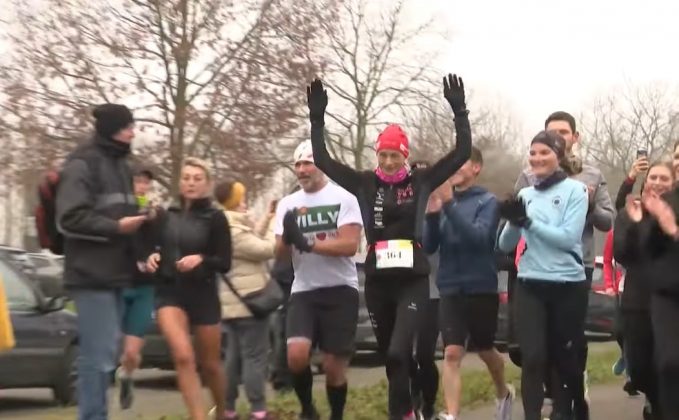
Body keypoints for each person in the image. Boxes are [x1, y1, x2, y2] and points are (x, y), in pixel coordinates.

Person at [306, 74, 472, 419]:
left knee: (399, 352)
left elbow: (461, 154)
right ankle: (409, 409)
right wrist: (317, 119)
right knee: (392, 359)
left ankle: (402, 413)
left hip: (411, 278)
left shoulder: (420, 180)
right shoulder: (365, 183)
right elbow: (323, 160)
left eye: (395, 155)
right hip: (379, 281)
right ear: (376, 155)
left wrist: (459, 112)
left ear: (405, 155)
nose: (389, 162)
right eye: (384, 155)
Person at [514, 111, 614, 415]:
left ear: (574, 137)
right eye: (551, 132)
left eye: (563, 132)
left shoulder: (591, 175)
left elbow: (608, 221)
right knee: (533, 349)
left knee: (568, 345)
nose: (558, 137)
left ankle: (570, 395)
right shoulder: (528, 177)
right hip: (533, 268)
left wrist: (590, 203)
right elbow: (515, 221)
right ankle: (549, 401)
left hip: (575, 265)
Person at [56, 103, 147, 420]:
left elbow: (122, 213)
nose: (133, 132)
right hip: (90, 274)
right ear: (111, 128)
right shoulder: (82, 163)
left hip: (117, 274)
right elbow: (69, 217)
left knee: (106, 353)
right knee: (97, 354)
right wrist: (117, 227)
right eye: (127, 126)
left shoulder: (122, 165)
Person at [498, 130, 590, 420]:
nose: (537, 158)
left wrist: (528, 222)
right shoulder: (526, 194)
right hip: (530, 284)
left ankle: (570, 407)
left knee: (563, 358)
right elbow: (504, 244)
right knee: (533, 357)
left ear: (559, 156)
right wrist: (514, 221)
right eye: (533, 152)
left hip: (567, 285)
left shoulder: (576, 192)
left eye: (544, 153)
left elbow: (566, 238)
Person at [275, 140, 364, 420]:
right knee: (296, 355)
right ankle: (307, 410)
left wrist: (308, 244)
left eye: (307, 163)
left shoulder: (344, 198)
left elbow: (349, 245)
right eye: (297, 164)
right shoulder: (287, 204)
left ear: (321, 166)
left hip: (340, 290)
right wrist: (288, 239)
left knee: (333, 367)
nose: (302, 170)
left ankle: (336, 414)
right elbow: (279, 255)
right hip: (304, 290)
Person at [424, 146, 513, 420]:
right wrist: (432, 215)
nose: (453, 171)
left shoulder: (487, 202)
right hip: (450, 286)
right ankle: (452, 414)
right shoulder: (442, 201)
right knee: (451, 353)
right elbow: (428, 246)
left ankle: (503, 390)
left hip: (481, 286)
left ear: (476, 168)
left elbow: (480, 238)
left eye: (460, 164)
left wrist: (449, 205)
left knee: (485, 349)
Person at [144, 158, 231, 420]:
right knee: (182, 356)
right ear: (179, 182)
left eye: (197, 178)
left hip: (203, 293)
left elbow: (224, 262)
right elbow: (151, 247)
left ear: (207, 184)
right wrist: (151, 258)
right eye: (186, 178)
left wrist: (201, 259)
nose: (191, 183)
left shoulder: (216, 217)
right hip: (170, 292)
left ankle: (223, 410)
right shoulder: (164, 215)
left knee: (211, 366)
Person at [614, 161, 674, 420]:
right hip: (637, 299)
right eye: (654, 177)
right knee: (638, 368)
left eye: (665, 179)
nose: (659, 183)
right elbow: (622, 253)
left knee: (668, 364)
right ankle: (656, 400)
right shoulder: (630, 212)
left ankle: (663, 409)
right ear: (645, 181)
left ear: (673, 184)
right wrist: (640, 223)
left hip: (670, 299)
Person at [216, 181, 276, 420]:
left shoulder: (223, 225)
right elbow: (265, 249)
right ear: (233, 201)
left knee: (233, 359)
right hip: (250, 305)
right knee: (255, 358)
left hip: (230, 306)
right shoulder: (234, 230)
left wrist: (267, 217)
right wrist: (276, 228)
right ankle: (258, 410)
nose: (244, 202)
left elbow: (250, 240)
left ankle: (228, 409)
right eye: (240, 198)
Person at [117, 167, 158, 409]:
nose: (141, 187)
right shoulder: (119, 211)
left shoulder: (152, 213)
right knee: (115, 346)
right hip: (120, 284)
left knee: (132, 353)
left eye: (145, 183)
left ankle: (127, 376)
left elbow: (159, 243)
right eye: (137, 182)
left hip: (144, 288)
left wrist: (152, 218)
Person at [408, 159, 440, 420]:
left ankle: (428, 404)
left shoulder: (440, 207)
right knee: (403, 353)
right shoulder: (402, 206)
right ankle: (412, 400)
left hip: (434, 291)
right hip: (405, 291)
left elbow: (430, 245)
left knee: (425, 354)